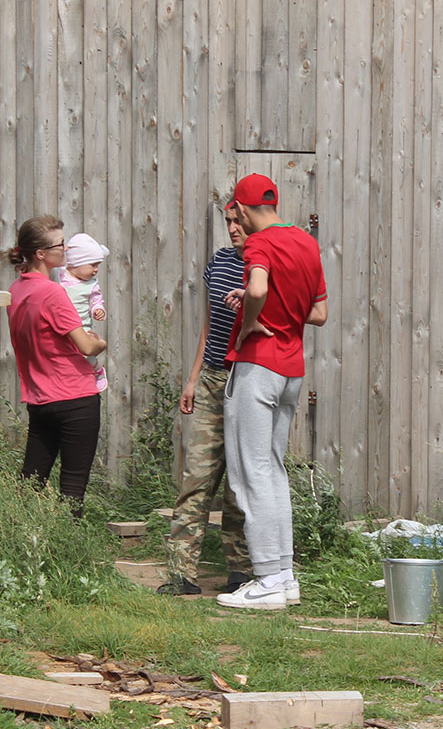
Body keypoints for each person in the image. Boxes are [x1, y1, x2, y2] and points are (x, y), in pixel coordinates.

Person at [216, 174, 327, 610]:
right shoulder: (307, 243)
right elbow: (318, 313)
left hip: (259, 364)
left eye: (233, 215)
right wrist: (267, 303)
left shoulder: (259, 243)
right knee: (274, 470)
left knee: (249, 474)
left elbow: (260, 287)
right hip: (292, 368)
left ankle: (265, 580)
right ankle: (283, 575)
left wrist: (247, 319)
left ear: (241, 210)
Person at [159, 207, 252, 596]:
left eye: (239, 223)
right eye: (228, 223)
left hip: (249, 378)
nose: (232, 230)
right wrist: (192, 379)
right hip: (213, 377)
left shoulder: (268, 265)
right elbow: (210, 323)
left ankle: (243, 571)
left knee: (242, 482)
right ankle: (182, 574)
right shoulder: (220, 261)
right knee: (196, 476)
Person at [1, 215, 107, 510]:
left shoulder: (16, 291)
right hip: (75, 398)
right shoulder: (52, 292)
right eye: (61, 244)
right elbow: (87, 345)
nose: (67, 249)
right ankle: (72, 553)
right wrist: (101, 342)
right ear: (41, 254)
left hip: (40, 398)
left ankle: (24, 545)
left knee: (30, 484)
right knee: (72, 489)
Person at [52, 232, 110, 394]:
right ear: (77, 262)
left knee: (85, 353)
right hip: (61, 325)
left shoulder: (91, 284)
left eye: (97, 265)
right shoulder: (60, 275)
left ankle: (97, 369)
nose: (96, 270)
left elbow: (96, 300)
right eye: (93, 265)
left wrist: (98, 309)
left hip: (82, 325)